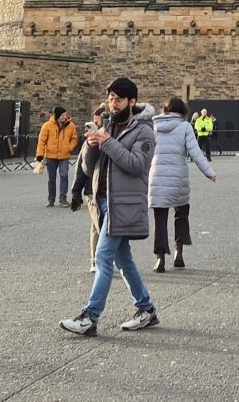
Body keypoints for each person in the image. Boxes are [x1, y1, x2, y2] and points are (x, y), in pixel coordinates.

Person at [61, 77, 160, 336]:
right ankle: (146, 309)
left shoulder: (144, 131)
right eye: (110, 99)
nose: (112, 104)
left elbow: (137, 164)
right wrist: (92, 145)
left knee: (104, 256)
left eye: (118, 99)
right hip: (103, 202)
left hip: (124, 204)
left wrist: (106, 141)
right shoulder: (108, 127)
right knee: (123, 259)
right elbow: (87, 166)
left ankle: (90, 317)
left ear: (132, 101)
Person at [150, 97, 216, 272]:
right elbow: (195, 153)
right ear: (182, 112)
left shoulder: (153, 126)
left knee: (160, 218)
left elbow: (145, 153)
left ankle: (160, 258)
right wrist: (209, 172)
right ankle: (179, 253)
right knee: (181, 215)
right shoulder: (185, 127)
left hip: (157, 176)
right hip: (178, 176)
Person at [70, 105, 108, 273]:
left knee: (103, 225)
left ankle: (102, 258)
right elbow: (84, 167)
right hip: (92, 189)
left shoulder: (111, 137)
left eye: (97, 120)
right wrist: (76, 192)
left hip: (107, 189)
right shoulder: (90, 141)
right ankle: (96, 259)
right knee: (97, 224)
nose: (94, 123)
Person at [37, 106, 80, 207]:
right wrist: (40, 154)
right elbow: (41, 141)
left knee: (64, 175)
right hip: (50, 156)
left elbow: (74, 138)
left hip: (64, 156)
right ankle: (51, 199)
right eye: (62, 115)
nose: (65, 117)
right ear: (57, 116)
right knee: (51, 178)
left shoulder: (71, 125)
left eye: (65, 115)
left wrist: (70, 148)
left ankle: (63, 199)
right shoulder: (47, 126)